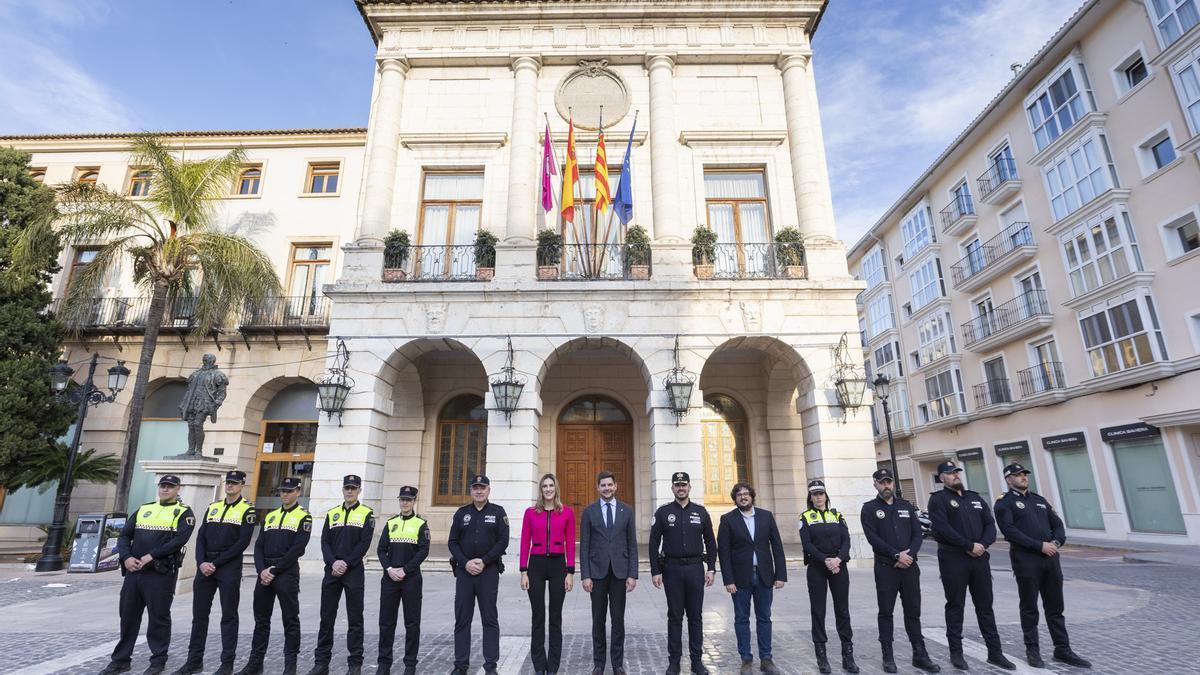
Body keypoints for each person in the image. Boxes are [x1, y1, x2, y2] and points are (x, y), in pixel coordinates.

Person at [993, 463, 1091, 669]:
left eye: (1024, 474)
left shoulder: (1039, 500)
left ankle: (1062, 649)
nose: (1023, 477)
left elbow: (1057, 524)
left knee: (1055, 607)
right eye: (1017, 475)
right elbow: (1009, 531)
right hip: (1026, 561)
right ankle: (1033, 650)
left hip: (1050, 560)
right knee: (1029, 608)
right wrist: (1039, 546)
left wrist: (1056, 543)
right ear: (1008, 480)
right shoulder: (1004, 503)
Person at [98, 474, 195, 675]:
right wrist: (125, 557)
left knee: (158, 617)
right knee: (127, 616)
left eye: (170, 487)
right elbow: (125, 535)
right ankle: (121, 660)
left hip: (160, 573)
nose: (165, 490)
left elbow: (179, 540)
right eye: (163, 486)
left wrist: (152, 555)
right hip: (134, 572)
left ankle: (158, 661)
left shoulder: (183, 513)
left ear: (179, 489)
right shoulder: (144, 509)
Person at [927, 460, 1015, 671]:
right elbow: (943, 528)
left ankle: (995, 652)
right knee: (956, 606)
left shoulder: (974, 498)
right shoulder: (938, 500)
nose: (955, 475)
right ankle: (956, 653)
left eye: (956, 472)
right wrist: (967, 545)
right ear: (942, 478)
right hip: (954, 559)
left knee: (985, 607)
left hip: (979, 559)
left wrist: (982, 545)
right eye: (950, 473)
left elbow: (990, 525)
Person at [174, 470, 255, 675]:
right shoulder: (213, 507)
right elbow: (200, 537)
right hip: (205, 566)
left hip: (227, 567)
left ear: (242, 486)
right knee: (199, 616)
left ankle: (227, 663)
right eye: (228, 482)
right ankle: (194, 660)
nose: (230, 486)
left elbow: (242, 543)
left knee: (228, 616)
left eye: (234, 483)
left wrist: (216, 563)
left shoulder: (248, 510)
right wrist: (201, 562)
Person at [859, 469, 940, 674]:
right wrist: (896, 555)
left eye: (889, 482)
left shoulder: (905, 506)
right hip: (887, 568)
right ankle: (888, 656)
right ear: (875, 485)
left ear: (893, 484)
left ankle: (919, 654)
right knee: (886, 612)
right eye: (882, 482)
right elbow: (873, 539)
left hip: (910, 568)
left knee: (913, 612)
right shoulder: (869, 509)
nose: (886, 486)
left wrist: (909, 555)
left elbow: (917, 534)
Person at [237, 476, 312, 675]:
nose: (285, 494)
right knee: (261, 620)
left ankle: (290, 666)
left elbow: (297, 549)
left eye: (289, 491)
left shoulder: (304, 517)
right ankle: (255, 663)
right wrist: (261, 569)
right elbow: (259, 545)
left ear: (298, 492)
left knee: (290, 619)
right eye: (282, 491)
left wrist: (274, 570)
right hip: (265, 574)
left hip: (285, 573)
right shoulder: (270, 516)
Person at [649, 471, 717, 675]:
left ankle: (697, 661)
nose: (681, 488)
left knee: (695, 617)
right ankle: (674, 661)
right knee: (675, 616)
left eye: (684, 485)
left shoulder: (701, 512)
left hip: (696, 569)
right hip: (672, 570)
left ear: (689, 487)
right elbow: (653, 543)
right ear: (672, 488)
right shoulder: (663, 513)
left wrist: (711, 568)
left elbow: (711, 542)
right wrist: (655, 571)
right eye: (677, 485)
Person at [717, 482, 787, 674]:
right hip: (740, 579)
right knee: (741, 619)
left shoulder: (766, 516)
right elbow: (723, 553)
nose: (743, 497)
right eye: (739, 495)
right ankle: (746, 659)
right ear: (735, 498)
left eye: (746, 494)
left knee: (765, 617)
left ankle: (766, 659)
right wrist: (728, 580)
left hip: (765, 576)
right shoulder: (727, 520)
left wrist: (780, 575)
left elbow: (777, 547)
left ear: (752, 496)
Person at [308, 475, 376, 675]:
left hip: (353, 572)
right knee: (326, 617)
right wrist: (333, 562)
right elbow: (325, 542)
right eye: (347, 487)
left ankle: (355, 663)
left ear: (359, 491)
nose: (349, 491)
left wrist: (346, 562)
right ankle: (321, 663)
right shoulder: (333, 513)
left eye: (353, 488)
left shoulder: (366, 514)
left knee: (355, 619)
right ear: (342, 489)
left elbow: (364, 543)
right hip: (332, 571)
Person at [448, 474, 510, 675]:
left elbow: (503, 542)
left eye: (482, 487)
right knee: (462, 619)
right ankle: (460, 665)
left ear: (489, 490)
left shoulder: (498, 512)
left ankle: (490, 666)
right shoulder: (461, 513)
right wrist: (466, 563)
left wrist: (483, 561)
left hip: (488, 572)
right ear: (471, 491)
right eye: (475, 487)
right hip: (465, 573)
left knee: (489, 619)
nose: (479, 491)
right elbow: (452, 542)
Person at [579, 470, 638, 675]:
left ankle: (617, 663)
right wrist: (585, 575)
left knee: (618, 620)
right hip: (596, 573)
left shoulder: (627, 511)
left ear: (615, 486)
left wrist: (633, 574)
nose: (606, 488)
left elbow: (632, 544)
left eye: (609, 485)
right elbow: (584, 545)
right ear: (598, 488)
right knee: (598, 619)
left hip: (620, 573)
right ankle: (599, 662)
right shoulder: (589, 512)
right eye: (603, 485)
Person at [799, 479, 857, 674]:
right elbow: (807, 544)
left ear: (826, 496)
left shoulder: (837, 515)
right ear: (811, 497)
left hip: (839, 567)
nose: (818, 497)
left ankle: (848, 655)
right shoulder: (805, 517)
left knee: (842, 610)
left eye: (821, 493)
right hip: (817, 567)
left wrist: (838, 559)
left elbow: (846, 540)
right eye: (814, 494)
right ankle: (822, 657)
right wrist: (826, 560)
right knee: (818, 611)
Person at [519, 474, 576, 675]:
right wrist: (523, 571)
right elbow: (525, 541)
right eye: (545, 486)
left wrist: (570, 572)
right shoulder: (531, 513)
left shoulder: (567, 512)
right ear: (541, 489)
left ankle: (552, 667)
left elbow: (570, 542)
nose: (548, 489)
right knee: (538, 616)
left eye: (551, 485)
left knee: (555, 617)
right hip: (536, 565)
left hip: (558, 566)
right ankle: (539, 665)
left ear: (556, 488)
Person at [377, 485, 430, 675]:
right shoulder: (391, 523)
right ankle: (384, 664)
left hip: (411, 579)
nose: (405, 502)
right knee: (386, 622)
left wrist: (405, 570)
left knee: (412, 623)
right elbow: (381, 549)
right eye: (402, 499)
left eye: (408, 499)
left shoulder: (420, 524)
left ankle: (410, 665)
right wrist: (390, 569)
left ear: (414, 501)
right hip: (390, 578)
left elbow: (423, 551)